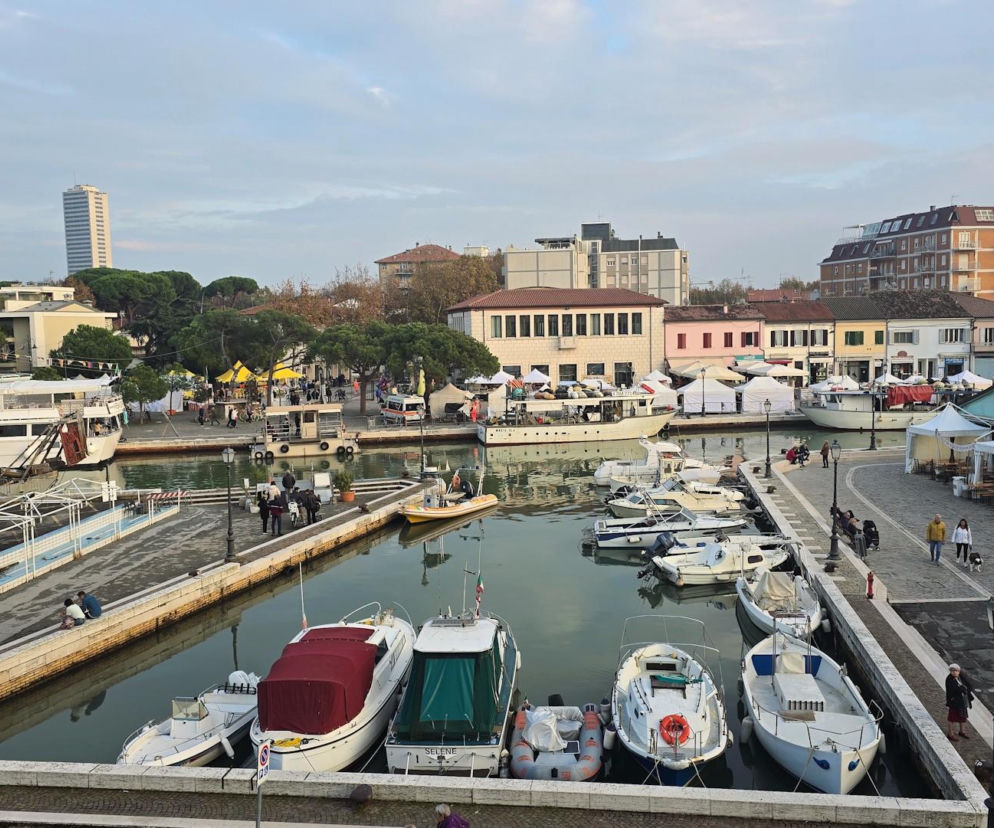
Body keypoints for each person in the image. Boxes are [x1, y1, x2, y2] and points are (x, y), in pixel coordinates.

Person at [946, 663, 974, 740]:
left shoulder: (961, 677)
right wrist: (961, 689)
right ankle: (950, 734)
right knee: (951, 718)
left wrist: (966, 689)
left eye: (956, 670)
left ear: (959, 671)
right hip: (954, 702)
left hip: (963, 701)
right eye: (952, 671)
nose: (954, 672)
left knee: (963, 717)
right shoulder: (949, 679)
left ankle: (962, 731)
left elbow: (969, 685)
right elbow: (951, 690)